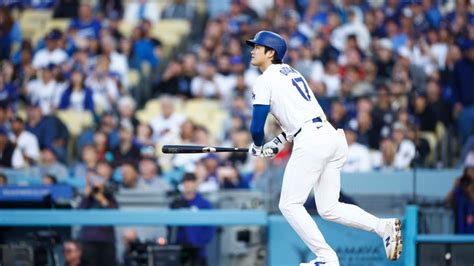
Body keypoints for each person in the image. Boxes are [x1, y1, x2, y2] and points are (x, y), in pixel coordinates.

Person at [245, 31, 402, 266]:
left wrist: (258, 144)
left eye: (258, 47)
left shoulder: (264, 79)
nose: (252, 50)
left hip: (311, 141)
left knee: (289, 204)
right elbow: (295, 124)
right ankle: (382, 226)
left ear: (271, 53)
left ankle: (326, 258)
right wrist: (274, 145)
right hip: (330, 136)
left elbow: (257, 127)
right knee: (328, 207)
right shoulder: (292, 73)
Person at [169, 173, 215, 266]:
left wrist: (198, 243)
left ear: (195, 184)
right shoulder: (176, 203)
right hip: (180, 250)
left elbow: (210, 227)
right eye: (185, 183)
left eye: (190, 182)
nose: (188, 185)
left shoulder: (204, 204)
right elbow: (170, 226)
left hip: (198, 251)